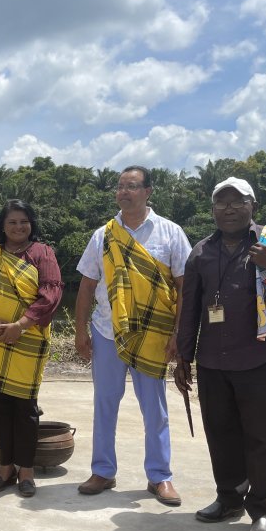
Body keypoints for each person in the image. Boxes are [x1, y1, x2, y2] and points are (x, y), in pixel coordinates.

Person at [174, 177, 266, 531]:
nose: (229, 208)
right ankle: (229, 498)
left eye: (237, 202)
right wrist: (183, 356)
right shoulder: (201, 251)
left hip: (262, 358)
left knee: (263, 437)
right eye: (221, 203)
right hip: (213, 361)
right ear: (213, 209)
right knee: (221, 434)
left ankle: (264, 510)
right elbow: (190, 309)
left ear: (253, 206)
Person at [74, 165, 191, 506]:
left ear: (148, 192)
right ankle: (103, 470)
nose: (124, 192)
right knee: (105, 404)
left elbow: (184, 287)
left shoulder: (170, 233)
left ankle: (160, 477)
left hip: (154, 335)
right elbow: (86, 285)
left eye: (132, 186)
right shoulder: (103, 235)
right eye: (121, 187)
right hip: (107, 331)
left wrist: (177, 334)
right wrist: (81, 331)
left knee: (155, 409)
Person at [0, 200, 63, 498]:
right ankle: (5, 467)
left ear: (31, 223)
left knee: (25, 409)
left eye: (24, 221)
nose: (19, 227)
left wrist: (20, 325)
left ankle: (26, 470)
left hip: (28, 340)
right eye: (12, 222)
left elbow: (51, 294)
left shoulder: (42, 253)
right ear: (3, 225)